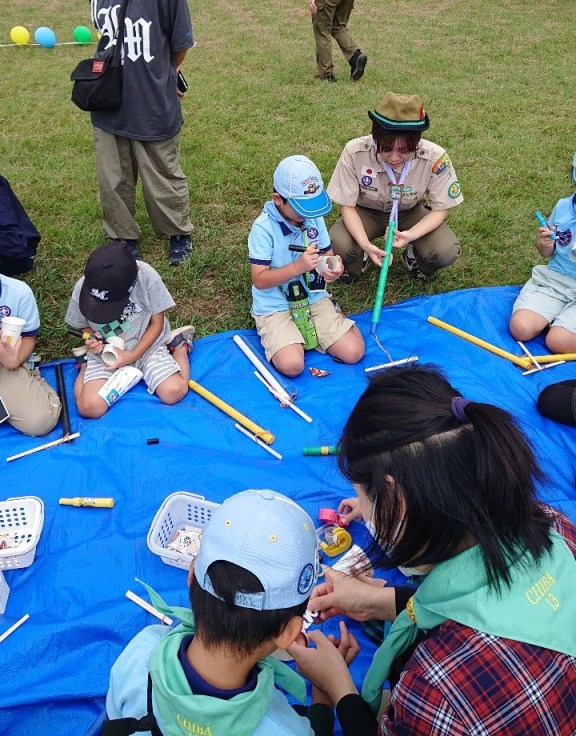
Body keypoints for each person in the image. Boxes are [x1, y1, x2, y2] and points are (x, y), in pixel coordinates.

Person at [290, 364, 576, 736]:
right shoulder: (553, 525)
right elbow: (498, 608)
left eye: (364, 498)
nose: (364, 513)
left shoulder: (436, 694)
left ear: (396, 503)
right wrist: (383, 602)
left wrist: (340, 688)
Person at [105, 488, 357, 735]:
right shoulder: (287, 729)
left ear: (192, 575)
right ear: (289, 632)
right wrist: (323, 698)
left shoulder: (142, 650)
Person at [72, 0, 194, 266]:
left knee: (162, 174)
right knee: (113, 177)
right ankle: (122, 237)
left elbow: (180, 42)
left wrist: (163, 75)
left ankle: (177, 232)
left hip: (151, 99)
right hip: (107, 95)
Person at [327, 92, 463, 283]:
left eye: (404, 150)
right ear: (375, 137)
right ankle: (360, 260)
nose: (393, 157)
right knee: (338, 242)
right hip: (365, 211)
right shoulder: (354, 151)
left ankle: (414, 259)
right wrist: (365, 244)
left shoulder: (435, 157)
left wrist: (411, 235)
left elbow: (441, 209)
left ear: (417, 141)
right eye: (385, 148)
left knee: (445, 250)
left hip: (409, 211)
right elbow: (347, 206)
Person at [249, 155, 365, 377]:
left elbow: (326, 255)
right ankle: (281, 331)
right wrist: (297, 268)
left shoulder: (312, 217)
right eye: (301, 208)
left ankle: (333, 314)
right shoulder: (262, 229)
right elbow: (260, 280)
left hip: (313, 297)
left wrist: (333, 267)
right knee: (292, 365)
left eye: (313, 207)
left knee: (354, 352)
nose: (308, 214)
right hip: (275, 304)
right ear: (278, 199)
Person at [65, 242, 194, 418]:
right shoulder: (86, 287)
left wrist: (133, 355)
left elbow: (157, 323)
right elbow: (83, 325)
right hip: (106, 352)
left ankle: (179, 346)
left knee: (174, 392)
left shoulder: (147, 277)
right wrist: (93, 339)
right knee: (90, 408)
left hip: (147, 346)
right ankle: (85, 364)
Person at [510, 170, 576, 354]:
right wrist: (546, 244)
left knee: (558, 341)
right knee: (520, 327)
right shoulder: (564, 207)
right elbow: (546, 252)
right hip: (555, 281)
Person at [0, 273, 61, 436]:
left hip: (5, 360)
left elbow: (28, 338)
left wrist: (14, 360)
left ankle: (28, 374)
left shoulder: (18, 292)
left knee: (40, 422)